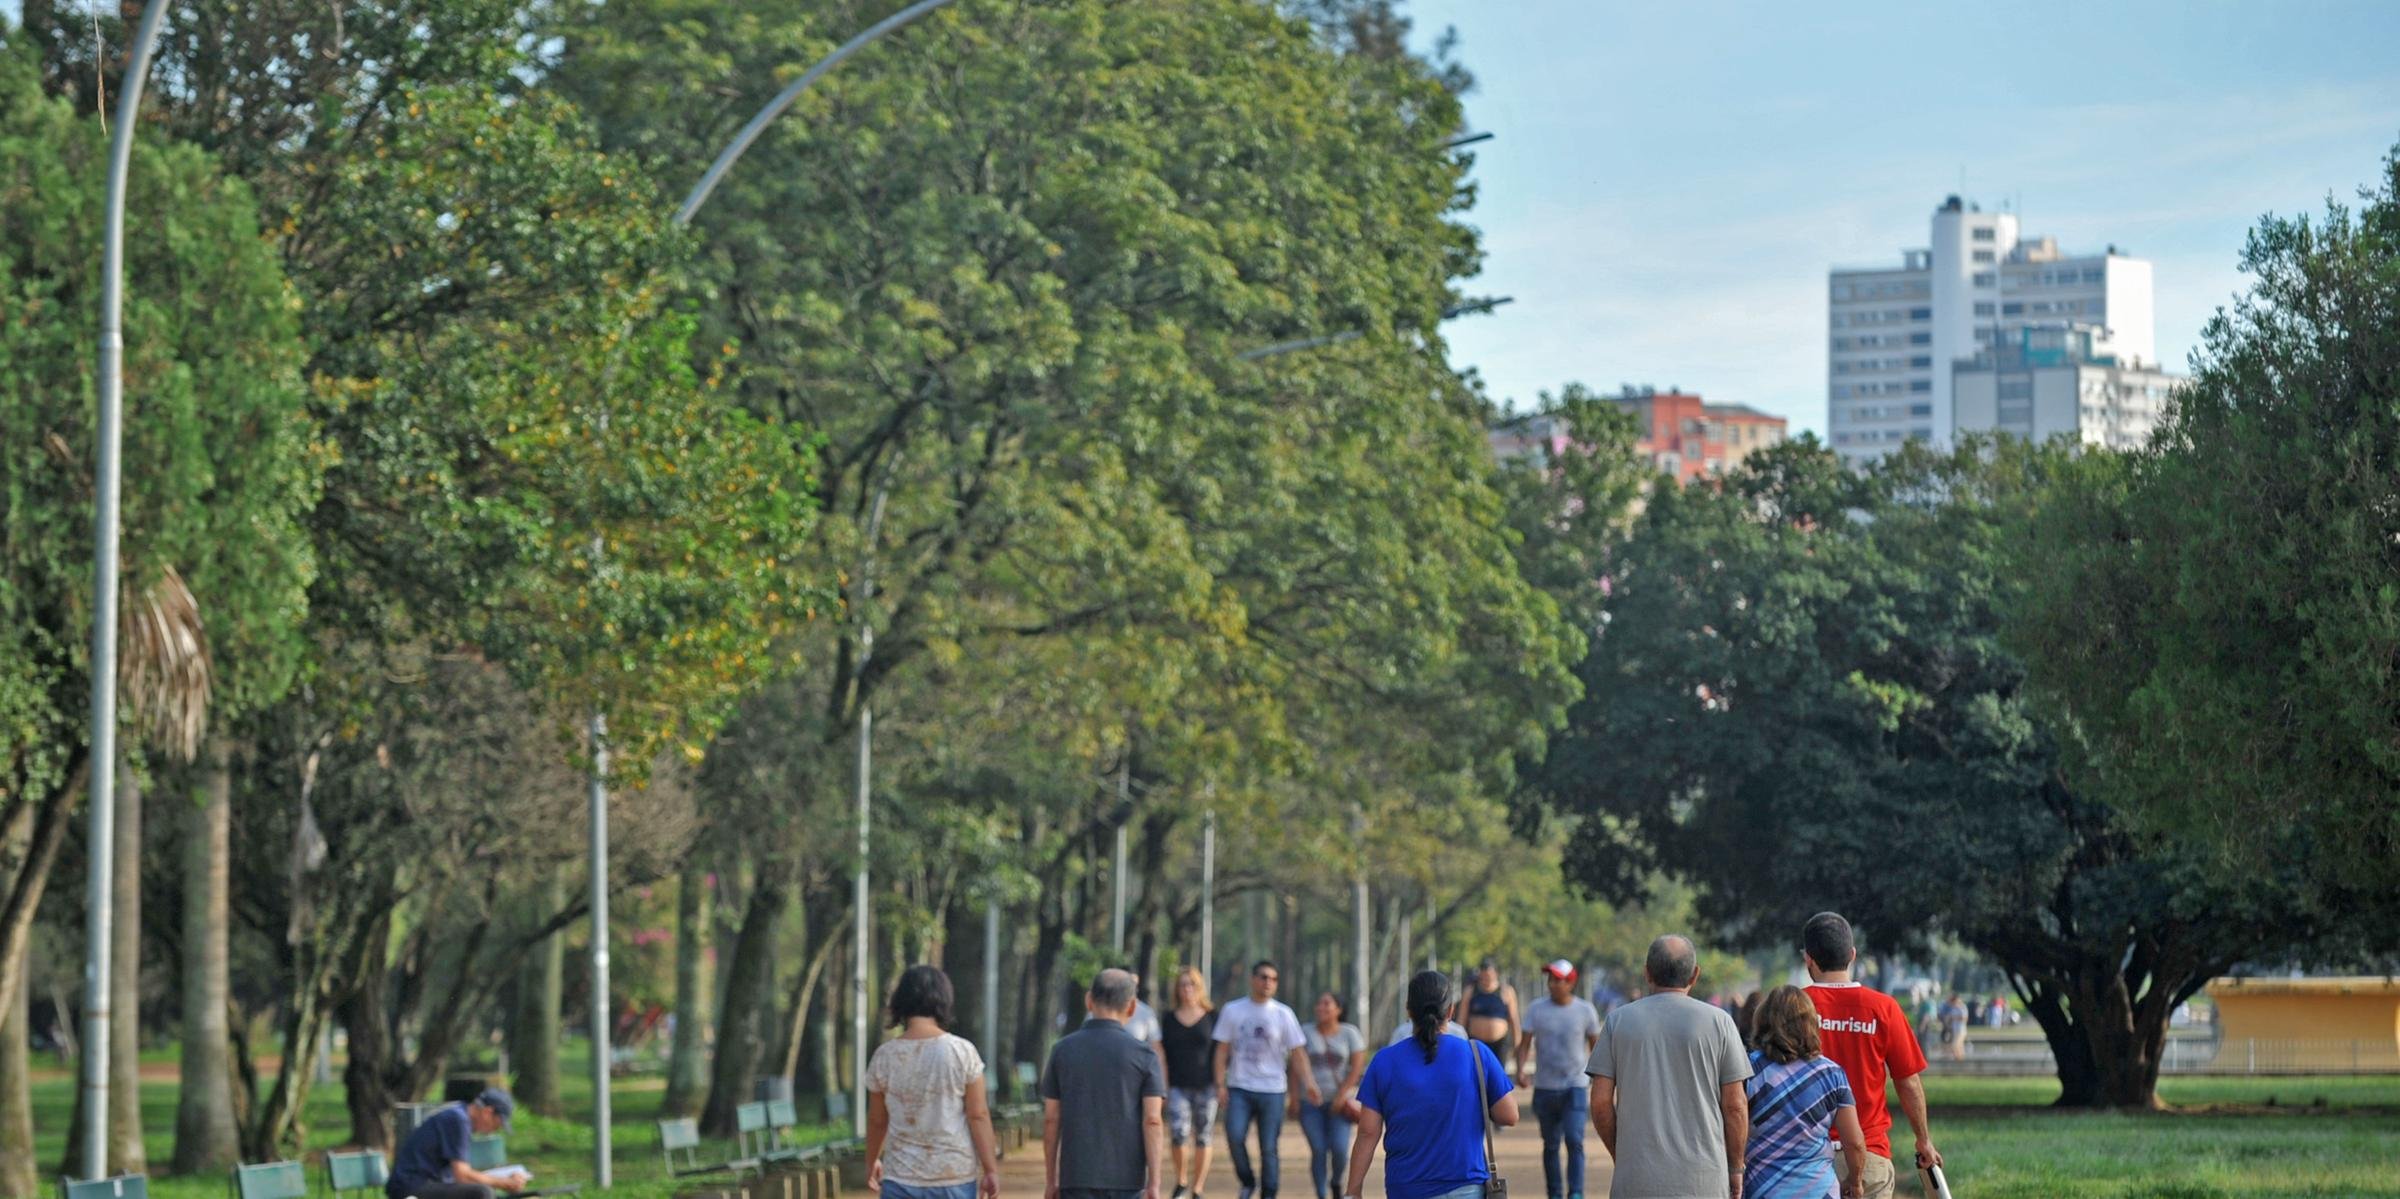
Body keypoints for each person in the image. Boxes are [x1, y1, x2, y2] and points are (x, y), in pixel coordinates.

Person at [1585, 935, 1753, 1199]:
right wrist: (1735, 1168)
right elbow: (1735, 1105)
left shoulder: (1617, 1022)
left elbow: (1600, 1103)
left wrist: (1624, 1155)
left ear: (1647, 974)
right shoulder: (1720, 1022)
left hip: (1636, 1182)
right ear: (1694, 975)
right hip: (1704, 1182)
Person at [1341, 970, 1519, 1199]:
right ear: (1451, 1011)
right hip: (1466, 1185)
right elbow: (1509, 1115)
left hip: (1406, 1187)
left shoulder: (1384, 1061)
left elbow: (1367, 1132)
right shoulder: (1476, 1054)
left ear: (1408, 1010)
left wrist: (1353, 1189)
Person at [1799, 914, 1940, 1199]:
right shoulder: (1883, 1008)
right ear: (1852, 955)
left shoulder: (1793, 1008)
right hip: (1869, 1158)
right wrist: (1923, 1140)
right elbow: (1908, 1082)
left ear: (1808, 959)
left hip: (1806, 1161)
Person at [866, 965, 1003, 1199]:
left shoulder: (884, 1056)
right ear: (944, 1001)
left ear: (901, 1002)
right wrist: (990, 1169)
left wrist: (872, 1162)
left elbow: (878, 1120)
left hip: (900, 1177)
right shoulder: (962, 1052)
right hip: (953, 1177)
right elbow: (978, 1114)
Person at [1043, 968, 1167, 1199]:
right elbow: (1152, 1120)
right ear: (1131, 1007)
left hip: (1076, 1175)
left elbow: (1051, 1118)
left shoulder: (1062, 1050)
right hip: (1128, 1180)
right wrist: (1155, 1183)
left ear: (1089, 1000)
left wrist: (1052, 1179)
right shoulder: (1144, 1055)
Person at [1742, 987, 1866, 1199]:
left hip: (1762, 1189)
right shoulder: (1832, 1074)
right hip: (1819, 1190)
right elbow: (1854, 1142)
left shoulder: (1746, 1070)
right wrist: (1854, 1181)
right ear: (1810, 1023)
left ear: (1762, 1021)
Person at [1215, 960, 1319, 1199]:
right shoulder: (1233, 1010)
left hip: (1272, 1089)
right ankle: (1248, 1181)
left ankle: (1269, 1193)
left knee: (1269, 1147)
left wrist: (1309, 1083)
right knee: (1234, 1135)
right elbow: (1221, 1051)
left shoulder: (1283, 1013)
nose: (1267, 982)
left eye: (1273, 979)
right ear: (1252, 980)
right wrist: (1220, 1084)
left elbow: (1298, 1052)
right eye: (1263, 977)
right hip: (1240, 1086)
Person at [1517, 960, 1603, 1199]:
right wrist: (1521, 1070)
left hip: (1575, 1085)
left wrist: (1598, 1076)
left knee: (1575, 1140)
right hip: (1545, 1087)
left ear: (1571, 982)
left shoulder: (1585, 1010)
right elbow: (1524, 1044)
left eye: (1558, 980)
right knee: (1551, 1144)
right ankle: (1554, 1192)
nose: (1553, 984)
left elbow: (1596, 1046)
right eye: (1550, 979)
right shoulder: (1536, 1009)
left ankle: (1575, 1192)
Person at [387, 1088, 525, 1199]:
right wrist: (503, 1183)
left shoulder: (460, 1116)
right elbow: (463, 1175)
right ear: (487, 1112)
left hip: (428, 1182)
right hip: (411, 1185)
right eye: (497, 1124)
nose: (494, 1130)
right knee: (482, 1193)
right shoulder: (458, 1120)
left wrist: (501, 1179)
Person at [1299, 992, 1369, 1199]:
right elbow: (1296, 1068)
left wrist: (1341, 1096)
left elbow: (1356, 1068)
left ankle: (1337, 1180)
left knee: (1339, 1149)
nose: (1321, 1007)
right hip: (1310, 1102)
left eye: (1327, 1003)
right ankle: (1321, 1194)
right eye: (1319, 1003)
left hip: (1341, 1104)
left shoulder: (1350, 1033)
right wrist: (1294, 1097)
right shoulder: (1305, 1032)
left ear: (1339, 1009)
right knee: (1318, 1150)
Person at [1162, 967, 1221, 1199]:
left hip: (1206, 1085)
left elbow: (1220, 1052)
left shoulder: (1212, 1016)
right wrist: (1164, 1086)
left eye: (1192, 984)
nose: (1187, 989)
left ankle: (1198, 1187)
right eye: (1183, 984)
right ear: (1177, 989)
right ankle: (1181, 1180)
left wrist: (1219, 1083)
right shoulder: (1168, 1018)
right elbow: (1162, 1054)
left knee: (1204, 1135)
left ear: (1199, 988)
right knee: (1178, 1133)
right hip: (1177, 1085)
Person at [1453, 960, 1520, 1065]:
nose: (1486, 979)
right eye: (1483, 975)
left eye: (1489, 975)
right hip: (1476, 1043)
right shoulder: (1470, 991)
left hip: (1499, 1044)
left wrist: (1517, 1045)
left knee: (1497, 1077)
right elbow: (1461, 1019)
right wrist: (1458, 1042)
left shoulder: (1506, 991)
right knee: (1477, 1076)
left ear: (1496, 974)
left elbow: (1514, 1020)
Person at [1938, 996, 1967, 1062]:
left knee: (1955, 1044)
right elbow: (1948, 1017)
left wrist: (1954, 1018)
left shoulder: (1962, 1007)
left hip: (1961, 1030)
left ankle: (1959, 1059)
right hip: (1955, 1029)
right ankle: (1959, 1059)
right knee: (1959, 1045)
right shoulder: (1953, 1009)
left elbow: (1964, 1018)